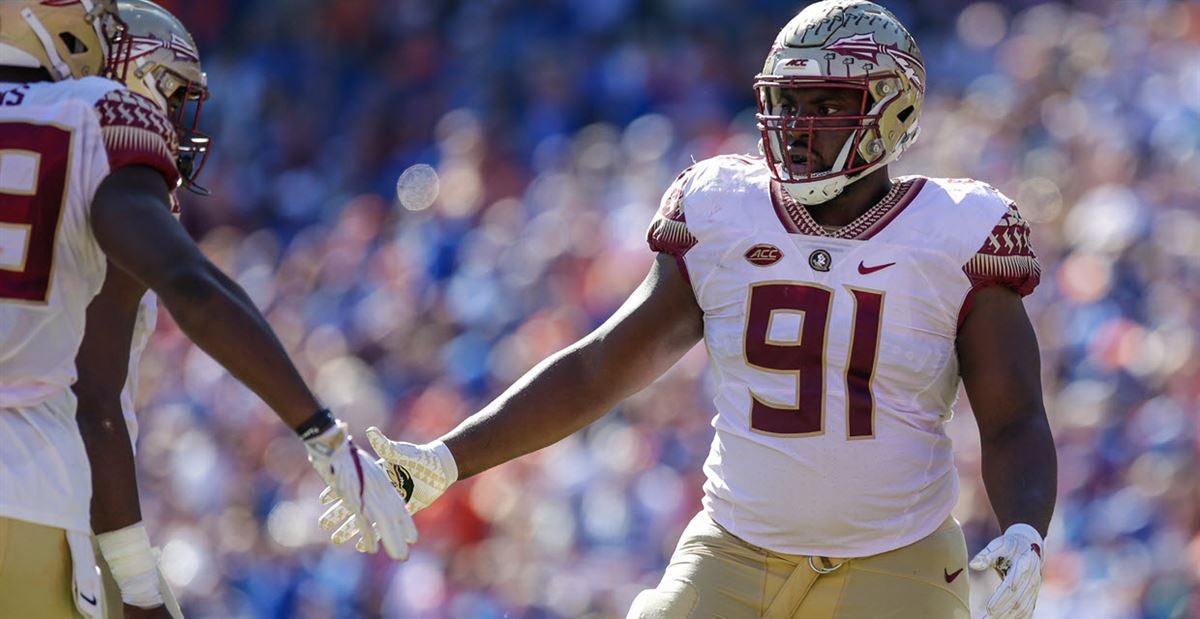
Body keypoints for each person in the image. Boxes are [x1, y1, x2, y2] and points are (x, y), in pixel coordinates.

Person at [322, 1, 1057, 617]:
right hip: (736, 548)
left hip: (898, 555)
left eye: (828, 104)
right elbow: (605, 365)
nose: (800, 126)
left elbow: (1015, 414)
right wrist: (448, 458)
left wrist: (1024, 529)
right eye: (788, 102)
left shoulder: (957, 229)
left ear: (894, 110)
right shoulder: (722, 207)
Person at [0, 2, 415, 617]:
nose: (173, 117)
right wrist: (321, 433)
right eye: (166, 90)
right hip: (26, 486)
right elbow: (168, 312)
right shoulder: (90, 118)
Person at [70, 2, 207, 617]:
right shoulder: (105, 185)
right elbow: (92, 403)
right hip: (50, 498)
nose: (177, 122)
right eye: (170, 97)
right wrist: (136, 579)